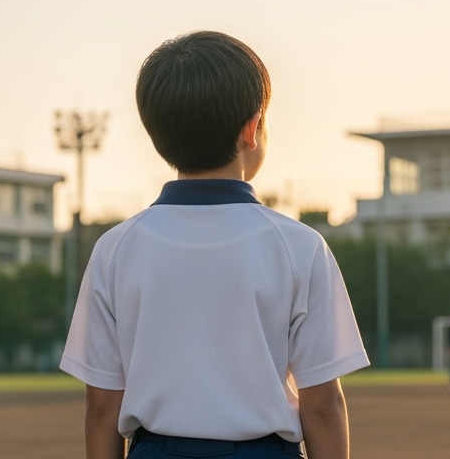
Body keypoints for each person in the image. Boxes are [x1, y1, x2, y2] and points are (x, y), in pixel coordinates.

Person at [61, 31, 369, 459]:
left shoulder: (115, 248)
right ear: (252, 129)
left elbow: (102, 406)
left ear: (157, 134)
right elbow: (321, 404)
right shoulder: (300, 246)